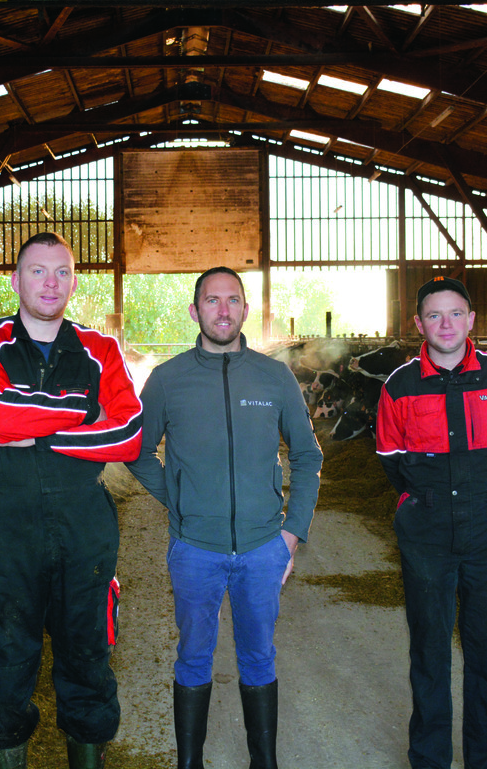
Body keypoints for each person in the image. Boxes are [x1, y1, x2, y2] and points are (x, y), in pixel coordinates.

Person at [0, 231, 143, 769]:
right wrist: (86, 413)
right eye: (37, 271)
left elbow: (129, 430)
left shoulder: (100, 348)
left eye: (61, 271)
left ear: (75, 281)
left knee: (88, 663)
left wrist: (43, 431)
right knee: (3, 666)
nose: (50, 282)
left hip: (83, 525)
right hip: (1, 529)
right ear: (14, 280)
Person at [126, 266, 322, 769]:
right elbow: (138, 451)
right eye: (211, 301)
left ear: (245, 310)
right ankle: (190, 763)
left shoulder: (274, 376)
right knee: (193, 656)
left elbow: (306, 455)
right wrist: (180, 498)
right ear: (195, 311)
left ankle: (264, 762)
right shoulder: (168, 379)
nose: (222, 310)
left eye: (232, 300)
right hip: (195, 549)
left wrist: (292, 533)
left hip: (263, 549)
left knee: (259, 657)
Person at [374, 276, 487, 769]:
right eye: (435, 315)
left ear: (471, 320)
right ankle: (430, 758)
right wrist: (422, 503)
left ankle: (486, 760)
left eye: (456, 313)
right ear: (418, 323)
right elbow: (390, 457)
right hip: (427, 537)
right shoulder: (399, 385)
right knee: (430, 651)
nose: (447, 324)